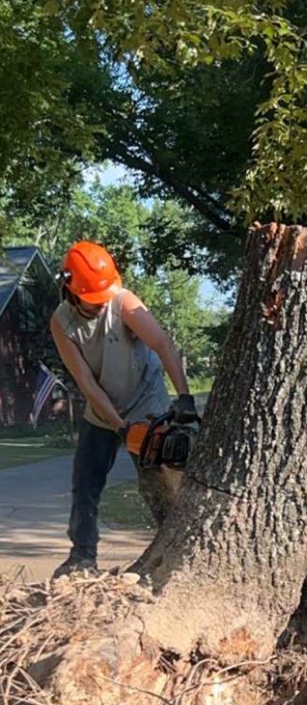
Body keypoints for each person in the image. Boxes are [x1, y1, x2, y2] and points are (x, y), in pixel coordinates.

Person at [50, 240, 196, 577]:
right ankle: (82, 556)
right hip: (101, 410)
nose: (101, 304)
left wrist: (184, 397)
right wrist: (120, 427)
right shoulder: (62, 323)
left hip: (146, 400)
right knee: (85, 482)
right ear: (71, 289)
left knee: (158, 480)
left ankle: (174, 551)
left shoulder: (123, 301)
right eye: (92, 299)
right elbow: (86, 382)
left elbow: (161, 343)